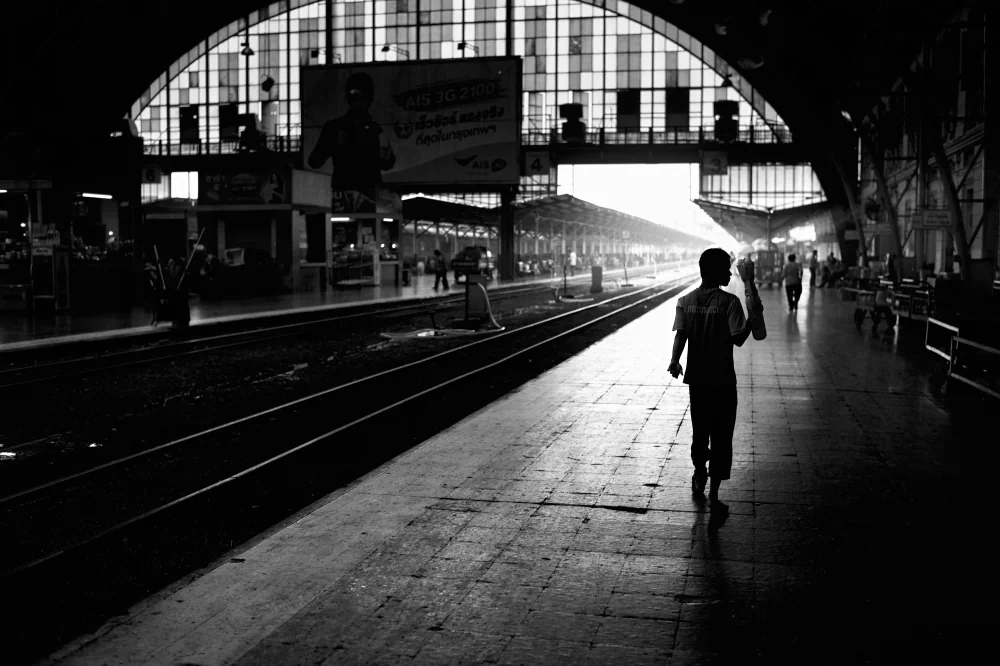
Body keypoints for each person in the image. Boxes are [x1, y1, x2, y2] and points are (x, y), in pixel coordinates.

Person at [668, 248, 757, 515]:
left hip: (698, 381)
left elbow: (680, 335)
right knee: (721, 436)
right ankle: (715, 493)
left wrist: (674, 361)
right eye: (726, 269)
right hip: (723, 382)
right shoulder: (730, 303)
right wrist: (753, 319)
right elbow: (739, 338)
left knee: (700, 431)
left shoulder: (685, 300)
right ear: (715, 272)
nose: (730, 273)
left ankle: (699, 471)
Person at [308, 71, 396, 193]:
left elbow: (388, 163)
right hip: (354, 195)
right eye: (355, 95)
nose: (359, 101)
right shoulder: (336, 128)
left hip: (361, 195)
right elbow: (314, 161)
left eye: (362, 96)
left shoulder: (374, 129)